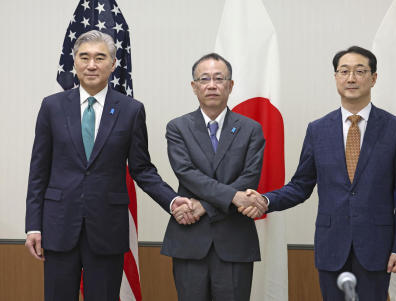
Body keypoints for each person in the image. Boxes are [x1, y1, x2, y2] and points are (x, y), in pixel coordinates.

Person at [24, 30, 192, 301]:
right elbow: (39, 170)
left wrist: (172, 201)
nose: (92, 65)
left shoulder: (131, 109)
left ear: (113, 65)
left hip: (106, 228)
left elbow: (142, 169)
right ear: (74, 62)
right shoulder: (52, 107)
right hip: (58, 225)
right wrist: (33, 225)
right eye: (84, 57)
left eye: (100, 58)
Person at [243, 46, 396, 300]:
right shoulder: (318, 130)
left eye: (360, 71)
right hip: (331, 246)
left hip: (377, 249)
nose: (351, 78)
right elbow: (300, 185)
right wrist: (266, 201)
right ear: (336, 77)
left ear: (374, 78)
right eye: (344, 71)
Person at [161, 53, 267, 301]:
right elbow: (186, 173)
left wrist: (204, 206)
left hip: (234, 240)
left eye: (219, 79)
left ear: (230, 85)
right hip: (190, 239)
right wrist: (231, 197)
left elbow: (249, 179)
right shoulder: (178, 127)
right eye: (204, 79)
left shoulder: (251, 129)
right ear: (194, 86)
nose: (211, 85)